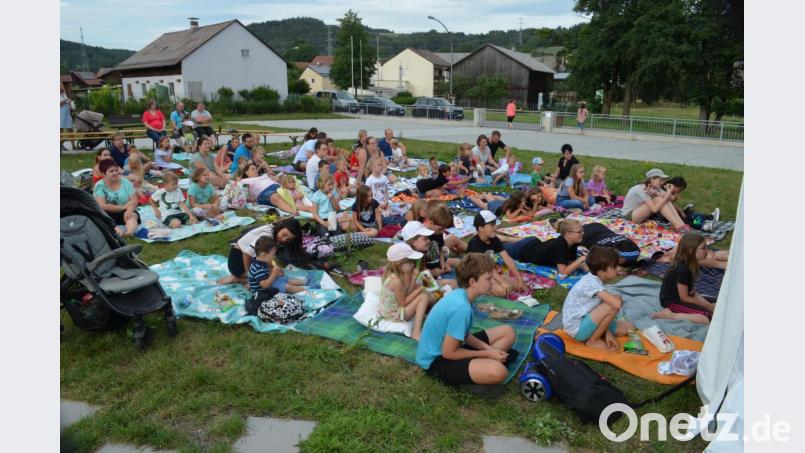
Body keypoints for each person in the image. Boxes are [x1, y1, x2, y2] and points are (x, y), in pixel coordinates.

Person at [415, 253, 516, 386]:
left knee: (508, 332)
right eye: (488, 278)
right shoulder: (461, 307)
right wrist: (486, 353)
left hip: (452, 346)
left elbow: (464, 334)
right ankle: (483, 367)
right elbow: (449, 353)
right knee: (498, 372)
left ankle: (482, 365)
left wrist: (488, 350)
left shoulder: (462, 295)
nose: (493, 282)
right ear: (473, 282)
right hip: (436, 361)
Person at [562, 246, 635, 350]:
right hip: (577, 329)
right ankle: (593, 341)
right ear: (602, 273)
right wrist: (618, 297)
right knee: (612, 305)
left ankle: (601, 334)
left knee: (629, 327)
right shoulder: (591, 283)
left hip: (588, 320)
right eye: (614, 267)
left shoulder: (595, 279)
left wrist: (608, 334)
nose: (618, 269)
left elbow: (600, 308)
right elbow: (616, 305)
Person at [217, 218, 304, 285]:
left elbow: (266, 255)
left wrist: (272, 267)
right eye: (284, 235)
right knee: (269, 278)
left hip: (249, 258)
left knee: (275, 273)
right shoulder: (267, 235)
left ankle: (244, 277)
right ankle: (239, 279)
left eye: (288, 239)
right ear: (281, 227)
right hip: (238, 262)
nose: (284, 239)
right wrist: (249, 274)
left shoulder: (274, 230)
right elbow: (246, 254)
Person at [652, 233, 715, 324]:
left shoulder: (691, 264)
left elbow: (692, 292)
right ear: (691, 251)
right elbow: (685, 298)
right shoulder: (683, 270)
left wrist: (708, 305)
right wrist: (708, 306)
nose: (707, 250)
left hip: (684, 297)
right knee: (708, 317)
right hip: (672, 301)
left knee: (718, 304)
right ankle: (670, 315)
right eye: (703, 248)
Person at [378, 243, 433, 341]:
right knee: (423, 296)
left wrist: (413, 279)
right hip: (394, 315)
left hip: (395, 308)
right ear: (399, 264)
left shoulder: (399, 273)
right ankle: (416, 332)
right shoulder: (396, 281)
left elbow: (407, 293)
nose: (413, 264)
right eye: (410, 262)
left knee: (423, 287)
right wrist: (420, 290)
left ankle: (431, 310)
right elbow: (403, 303)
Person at [467, 210, 527, 297]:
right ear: (480, 228)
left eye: (495, 224)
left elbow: (507, 258)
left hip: (490, 272)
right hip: (478, 275)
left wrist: (519, 278)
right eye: (492, 225)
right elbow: (486, 268)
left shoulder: (494, 239)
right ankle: (480, 290)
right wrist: (502, 282)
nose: (495, 227)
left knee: (519, 286)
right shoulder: (474, 244)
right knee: (503, 292)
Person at [504, 219, 589, 276]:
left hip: (534, 242)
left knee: (513, 242)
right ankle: (501, 239)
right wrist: (581, 260)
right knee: (498, 246)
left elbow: (570, 261)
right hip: (522, 250)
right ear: (568, 234)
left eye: (583, 231)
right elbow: (563, 272)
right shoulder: (561, 245)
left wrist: (581, 266)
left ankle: (505, 238)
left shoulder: (573, 242)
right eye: (579, 232)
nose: (583, 233)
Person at [622, 168, 690, 232]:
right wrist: (667, 193)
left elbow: (671, 198)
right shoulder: (642, 189)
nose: (662, 182)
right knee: (659, 198)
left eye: (663, 180)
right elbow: (654, 209)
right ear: (652, 179)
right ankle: (678, 225)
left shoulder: (655, 188)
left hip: (639, 214)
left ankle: (681, 224)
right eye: (660, 180)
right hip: (629, 216)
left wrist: (658, 193)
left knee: (662, 198)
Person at [93, 159, 140, 236]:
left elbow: (134, 200)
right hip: (108, 213)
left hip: (125, 211)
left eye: (116, 170)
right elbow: (103, 206)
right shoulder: (99, 186)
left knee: (132, 216)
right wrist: (123, 207)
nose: (115, 173)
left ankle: (129, 233)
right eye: (111, 171)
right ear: (103, 174)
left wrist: (130, 209)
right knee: (103, 219)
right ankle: (118, 233)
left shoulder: (125, 182)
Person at [60, 83, 76, 151]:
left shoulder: (64, 94)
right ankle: (60, 145)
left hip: (67, 114)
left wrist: (70, 104)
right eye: (61, 86)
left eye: (62, 86)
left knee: (70, 129)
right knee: (60, 131)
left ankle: (73, 145)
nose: (62, 87)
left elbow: (67, 102)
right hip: (60, 115)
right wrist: (66, 100)